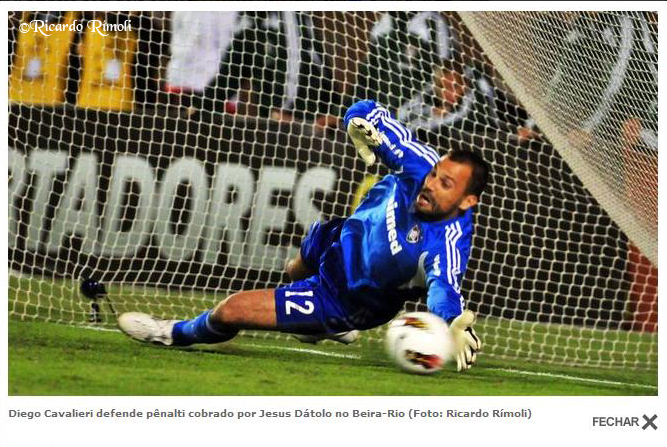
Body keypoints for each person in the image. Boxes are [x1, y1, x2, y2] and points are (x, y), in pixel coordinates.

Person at [117, 100, 488, 372]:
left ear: (468, 200)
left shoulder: (448, 243)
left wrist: (450, 323)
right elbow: (368, 111)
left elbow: (445, 289)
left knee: (232, 310)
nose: (430, 183)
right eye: (436, 173)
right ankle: (312, 328)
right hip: (339, 236)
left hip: (347, 299)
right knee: (294, 267)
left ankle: (169, 333)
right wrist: (357, 121)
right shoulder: (417, 163)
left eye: (446, 184)